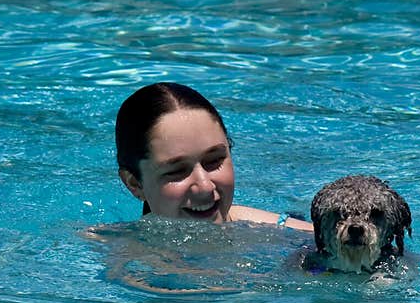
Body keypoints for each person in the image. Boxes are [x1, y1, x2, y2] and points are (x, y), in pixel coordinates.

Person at [115, 82, 313, 232]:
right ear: (134, 184)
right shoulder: (117, 257)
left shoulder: (289, 236)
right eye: (177, 171)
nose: (205, 186)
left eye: (214, 161)